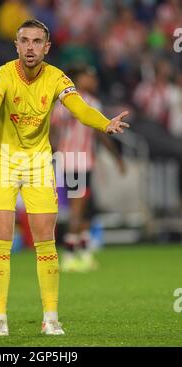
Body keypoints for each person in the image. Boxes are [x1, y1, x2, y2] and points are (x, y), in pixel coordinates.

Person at [0, 19, 129, 337]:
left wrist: (104, 124)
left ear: (46, 47)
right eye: (24, 41)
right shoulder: (2, 75)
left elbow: (80, 108)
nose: (29, 47)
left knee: (46, 241)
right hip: (0, 162)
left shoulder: (57, 78)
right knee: (2, 240)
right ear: (16, 45)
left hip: (38, 163)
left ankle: (50, 318)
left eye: (36, 42)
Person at [51, 65, 126, 273]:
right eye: (88, 76)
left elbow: (56, 132)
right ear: (78, 78)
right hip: (75, 161)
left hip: (81, 162)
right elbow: (55, 131)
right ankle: (68, 255)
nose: (93, 80)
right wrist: (117, 158)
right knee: (77, 208)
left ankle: (82, 254)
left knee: (85, 211)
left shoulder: (65, 103)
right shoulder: (75, 102)